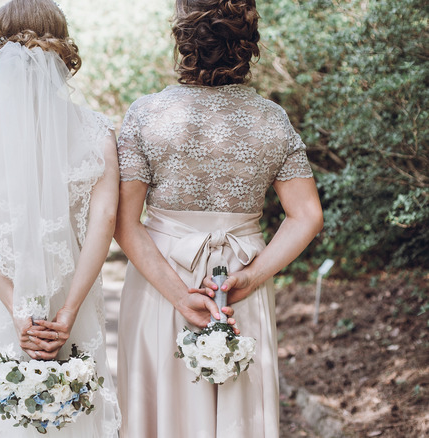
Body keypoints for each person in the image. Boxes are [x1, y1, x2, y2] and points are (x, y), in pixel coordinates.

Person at [113, 0, 324, 436]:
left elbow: (124, 222)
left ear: (184, 39)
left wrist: (178, 295)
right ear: (246, 43)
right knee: (238, 409)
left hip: (163, 279)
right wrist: (250, 277)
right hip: (240, 280)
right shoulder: (273, 119)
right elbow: (306, 216)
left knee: (163, 412)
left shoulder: (145, 113)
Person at [0, 0, 121, 436]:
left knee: (1, 411)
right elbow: (104, 222)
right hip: (74, 293)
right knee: (74, 412)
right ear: (62, 51)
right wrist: (67, 310)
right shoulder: (98, 131)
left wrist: (17, 310)